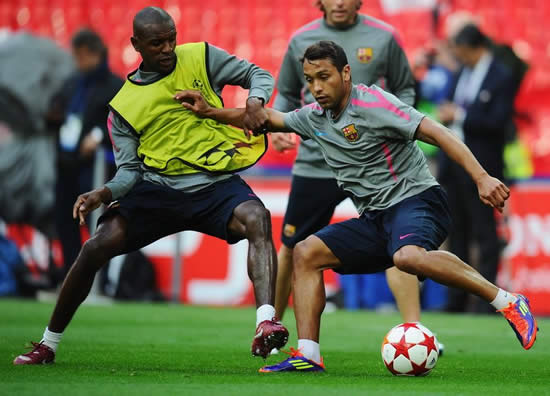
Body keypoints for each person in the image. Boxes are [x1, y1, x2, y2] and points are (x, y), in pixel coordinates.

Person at [174, 41, 538, 373]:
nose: (317, 87)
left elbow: (438, 132)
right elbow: (266, 119)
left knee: (407, 257)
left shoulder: (374, 104)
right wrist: (209, 112)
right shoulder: (315, 117)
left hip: (416, 198)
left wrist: (481, 177)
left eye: (324, 77)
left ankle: (506, 301)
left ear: (345, 73)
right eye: (310, 79)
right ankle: (307, 354)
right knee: (305, 252)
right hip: (376, 217)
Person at [13, 6, 288, 365]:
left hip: (213, 183)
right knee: (96, 247)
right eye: (157, 42)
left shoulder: (201, 57)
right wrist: (103, 193)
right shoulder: (123, 106)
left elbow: (257, 73)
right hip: (158, 190)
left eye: (171, 38)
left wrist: (255, 100)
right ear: (136, 44)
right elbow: (128, 173)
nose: (168, 48)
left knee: (257, 216)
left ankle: (265, 322)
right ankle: (48, 344)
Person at [270, 0, 427, 333]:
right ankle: (271, 327)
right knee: (291, 246)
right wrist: (279, 131)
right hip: (316, 163)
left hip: (375, 167)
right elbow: (284, 93)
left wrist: (395, 124)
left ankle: (415, 331)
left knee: (398, 243)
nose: (339, 2)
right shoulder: (301, 39)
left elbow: (406, 89)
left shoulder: (385, 36)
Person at [437, 24, 518, 313]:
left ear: (474, 47)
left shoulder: (501, 76)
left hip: (485, 168)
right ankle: (456, 301)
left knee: (485, 235)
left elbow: (498, 122)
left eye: (460, 50)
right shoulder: (462, 72)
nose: (457, 56)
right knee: (456, 233)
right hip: (454, 167)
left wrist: (459, 114)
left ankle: (487, 304)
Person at [56, 29, 124, 280]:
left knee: (99, 224)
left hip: (98, 170)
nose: (78, 62)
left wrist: (97, 137)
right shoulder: (72, 83)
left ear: (93, 54)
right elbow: (59, 109)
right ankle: (70, 277)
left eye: (81, 56)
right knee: (66, 220)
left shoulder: (115, 85)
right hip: (67, 165)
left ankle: (100, 280)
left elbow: (124, 125)